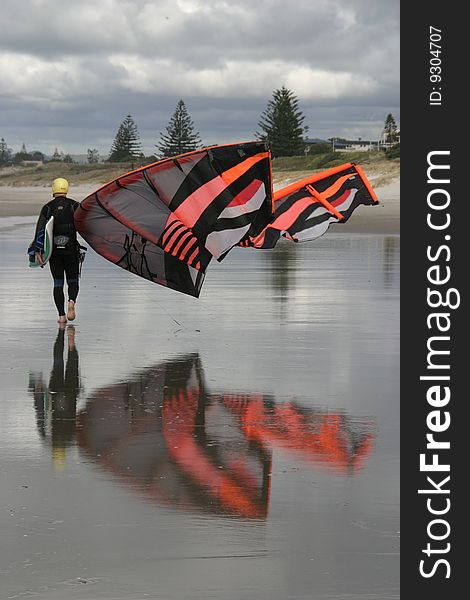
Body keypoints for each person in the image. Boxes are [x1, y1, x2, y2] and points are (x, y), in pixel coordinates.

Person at [32, 177, 82, 325]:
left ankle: (61, 316)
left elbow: (41, 230)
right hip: (71, 249)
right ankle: (71, 302)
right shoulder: (75, 206)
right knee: (73, 281)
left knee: (58, 283)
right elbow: (84, 224)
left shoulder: (47, 207)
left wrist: (37, 250)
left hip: (54, 252)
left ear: (53, 189)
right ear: (66, 189)